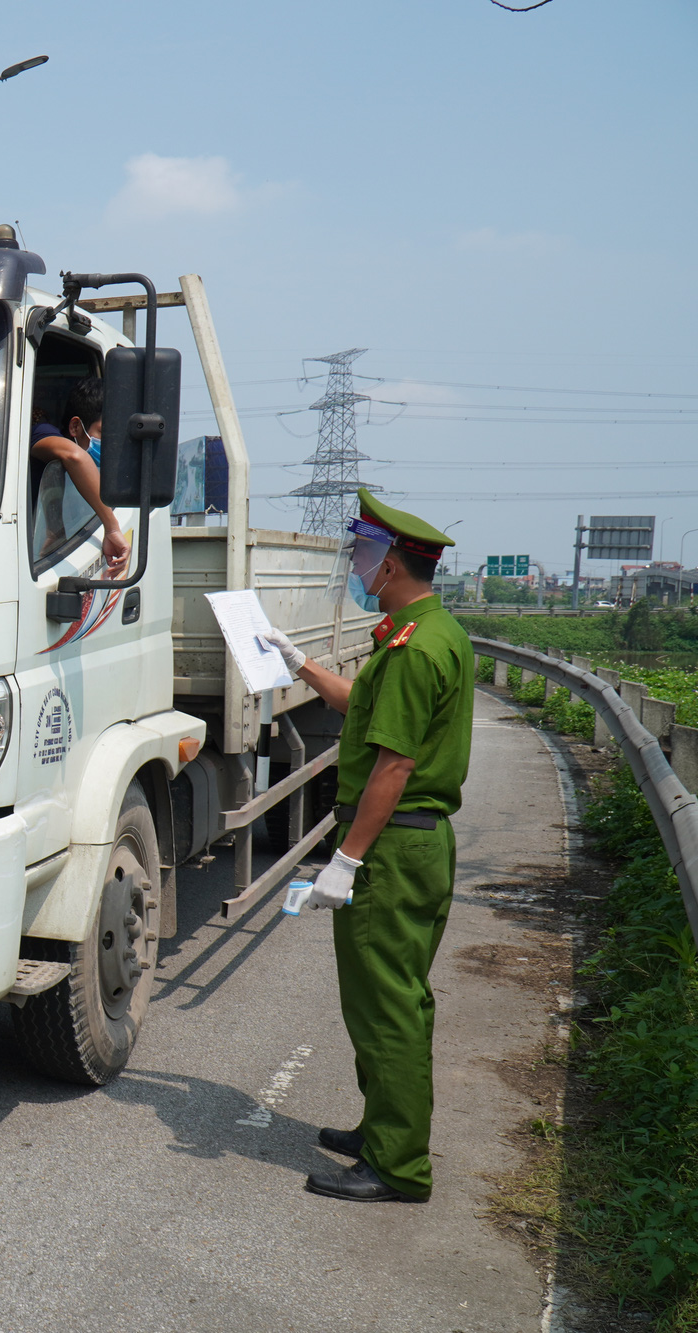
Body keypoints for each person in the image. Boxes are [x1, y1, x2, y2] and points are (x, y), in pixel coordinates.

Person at [258, 489, 473, 1204]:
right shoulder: (426, 632)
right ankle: (384, 1128)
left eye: (363, 553)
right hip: (414, 846)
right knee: (389, 998)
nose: (356, 563)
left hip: (394, 847)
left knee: (389, 1006)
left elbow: (394, 764)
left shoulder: (414, 650)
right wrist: (301, 665)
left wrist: (346, 859)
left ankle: (398, 1164)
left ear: (390, 564)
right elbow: (366, 706)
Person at [30, 377, 130, 571]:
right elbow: (75, 457)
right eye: (104, 433)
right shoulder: (42, 433)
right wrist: (112, 528)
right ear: (75, 427)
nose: (111, 445)